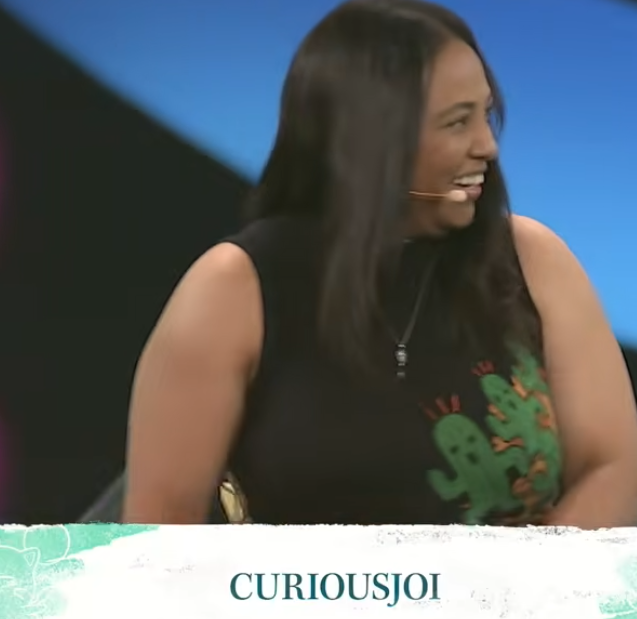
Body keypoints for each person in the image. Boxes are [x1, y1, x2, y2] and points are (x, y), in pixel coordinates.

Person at [122, 0, 637, 527]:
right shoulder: (234, 289)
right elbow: (158, 533)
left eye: (485, 115)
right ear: (370, 140)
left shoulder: (532, 259)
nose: (487, 146)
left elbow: (613, 467)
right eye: (457, 122)